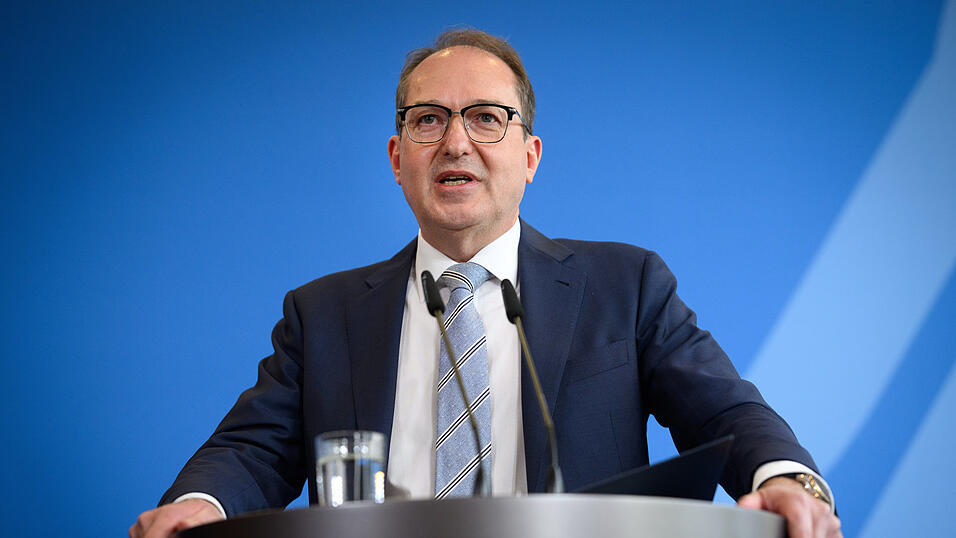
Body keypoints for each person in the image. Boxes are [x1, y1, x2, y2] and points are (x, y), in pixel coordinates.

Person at [131, 29, 841, 538]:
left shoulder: (625, 286)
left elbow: (723, 412)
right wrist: (199, 505)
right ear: (397, 158)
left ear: (530, 156)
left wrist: (785, 479)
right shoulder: (324, 314)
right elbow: (252, 450)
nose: (455, 142)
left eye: (486, 118)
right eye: (428, 119)